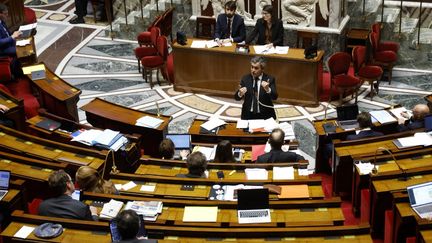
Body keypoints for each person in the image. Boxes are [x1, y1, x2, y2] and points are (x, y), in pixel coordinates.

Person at [0, 4, 22, 78]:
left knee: (23, 43)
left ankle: (20, 67)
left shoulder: (1, 21)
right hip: (2, 49)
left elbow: (7, 33)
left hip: (7, 43)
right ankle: (17, 73)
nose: (7, 15)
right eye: (5, 14)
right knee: (20, 51)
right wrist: (12, 37)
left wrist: (14, 36)